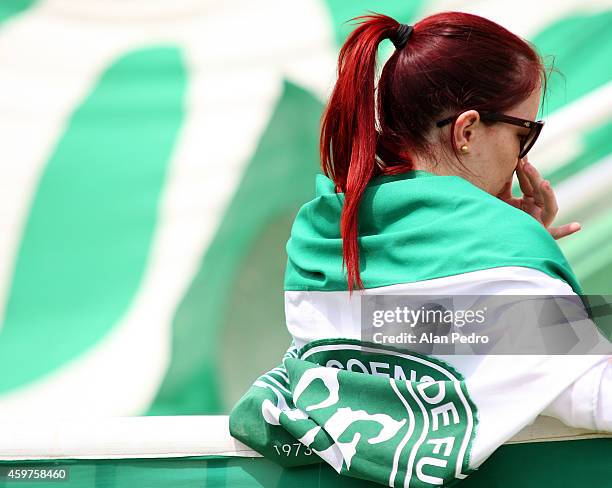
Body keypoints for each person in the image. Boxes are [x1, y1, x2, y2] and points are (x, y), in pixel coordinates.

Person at [229, 11, 611, 487]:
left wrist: (518, 259)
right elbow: (593, 394)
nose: (523, 160)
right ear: (467, 131)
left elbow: (415, 330)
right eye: (523, 134)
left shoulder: (320, 236)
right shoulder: (504, 252)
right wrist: (521, 257)